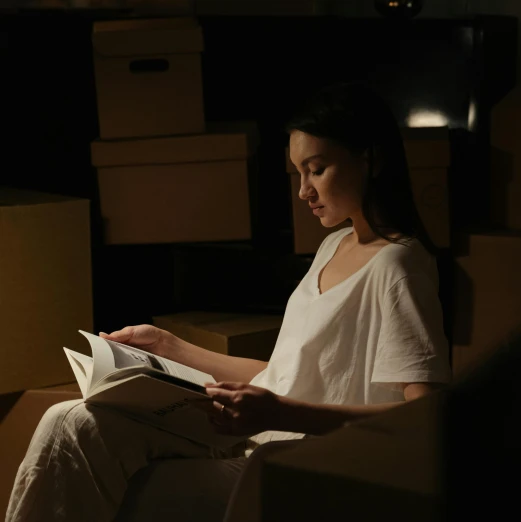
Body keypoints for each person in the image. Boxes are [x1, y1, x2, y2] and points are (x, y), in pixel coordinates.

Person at [5, 83, 452, 522]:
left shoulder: (398, 266)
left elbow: (423, 420)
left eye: (316, 169)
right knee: (69, 421)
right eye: (298, 173)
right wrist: (168, 346)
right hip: (258, 439)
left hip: (302, 467)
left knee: (127, 484)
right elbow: (284, 376)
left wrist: (280, 412)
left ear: (370, 159)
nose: (303, 191)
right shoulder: (334, 245)